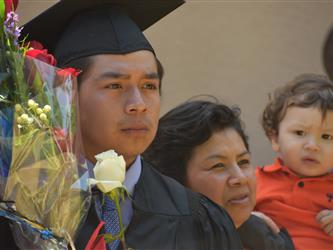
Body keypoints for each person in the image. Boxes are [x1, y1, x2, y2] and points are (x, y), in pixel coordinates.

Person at [0, 0, 244, 249]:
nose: (138, 104)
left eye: (149, 86)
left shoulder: (198, 219)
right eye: (115, 85)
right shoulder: (20, 212)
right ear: (67, 96)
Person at [144, 99, 294, 250]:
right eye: (218, 165)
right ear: (174, 182)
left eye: (243, 162)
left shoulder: (268, 239)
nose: (240, 178)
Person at [255, 73, 333, 249]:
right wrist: (248, 218)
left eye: (327, 136)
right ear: (275, 138)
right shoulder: (255, 181)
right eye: (299, 133)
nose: (312, 146)